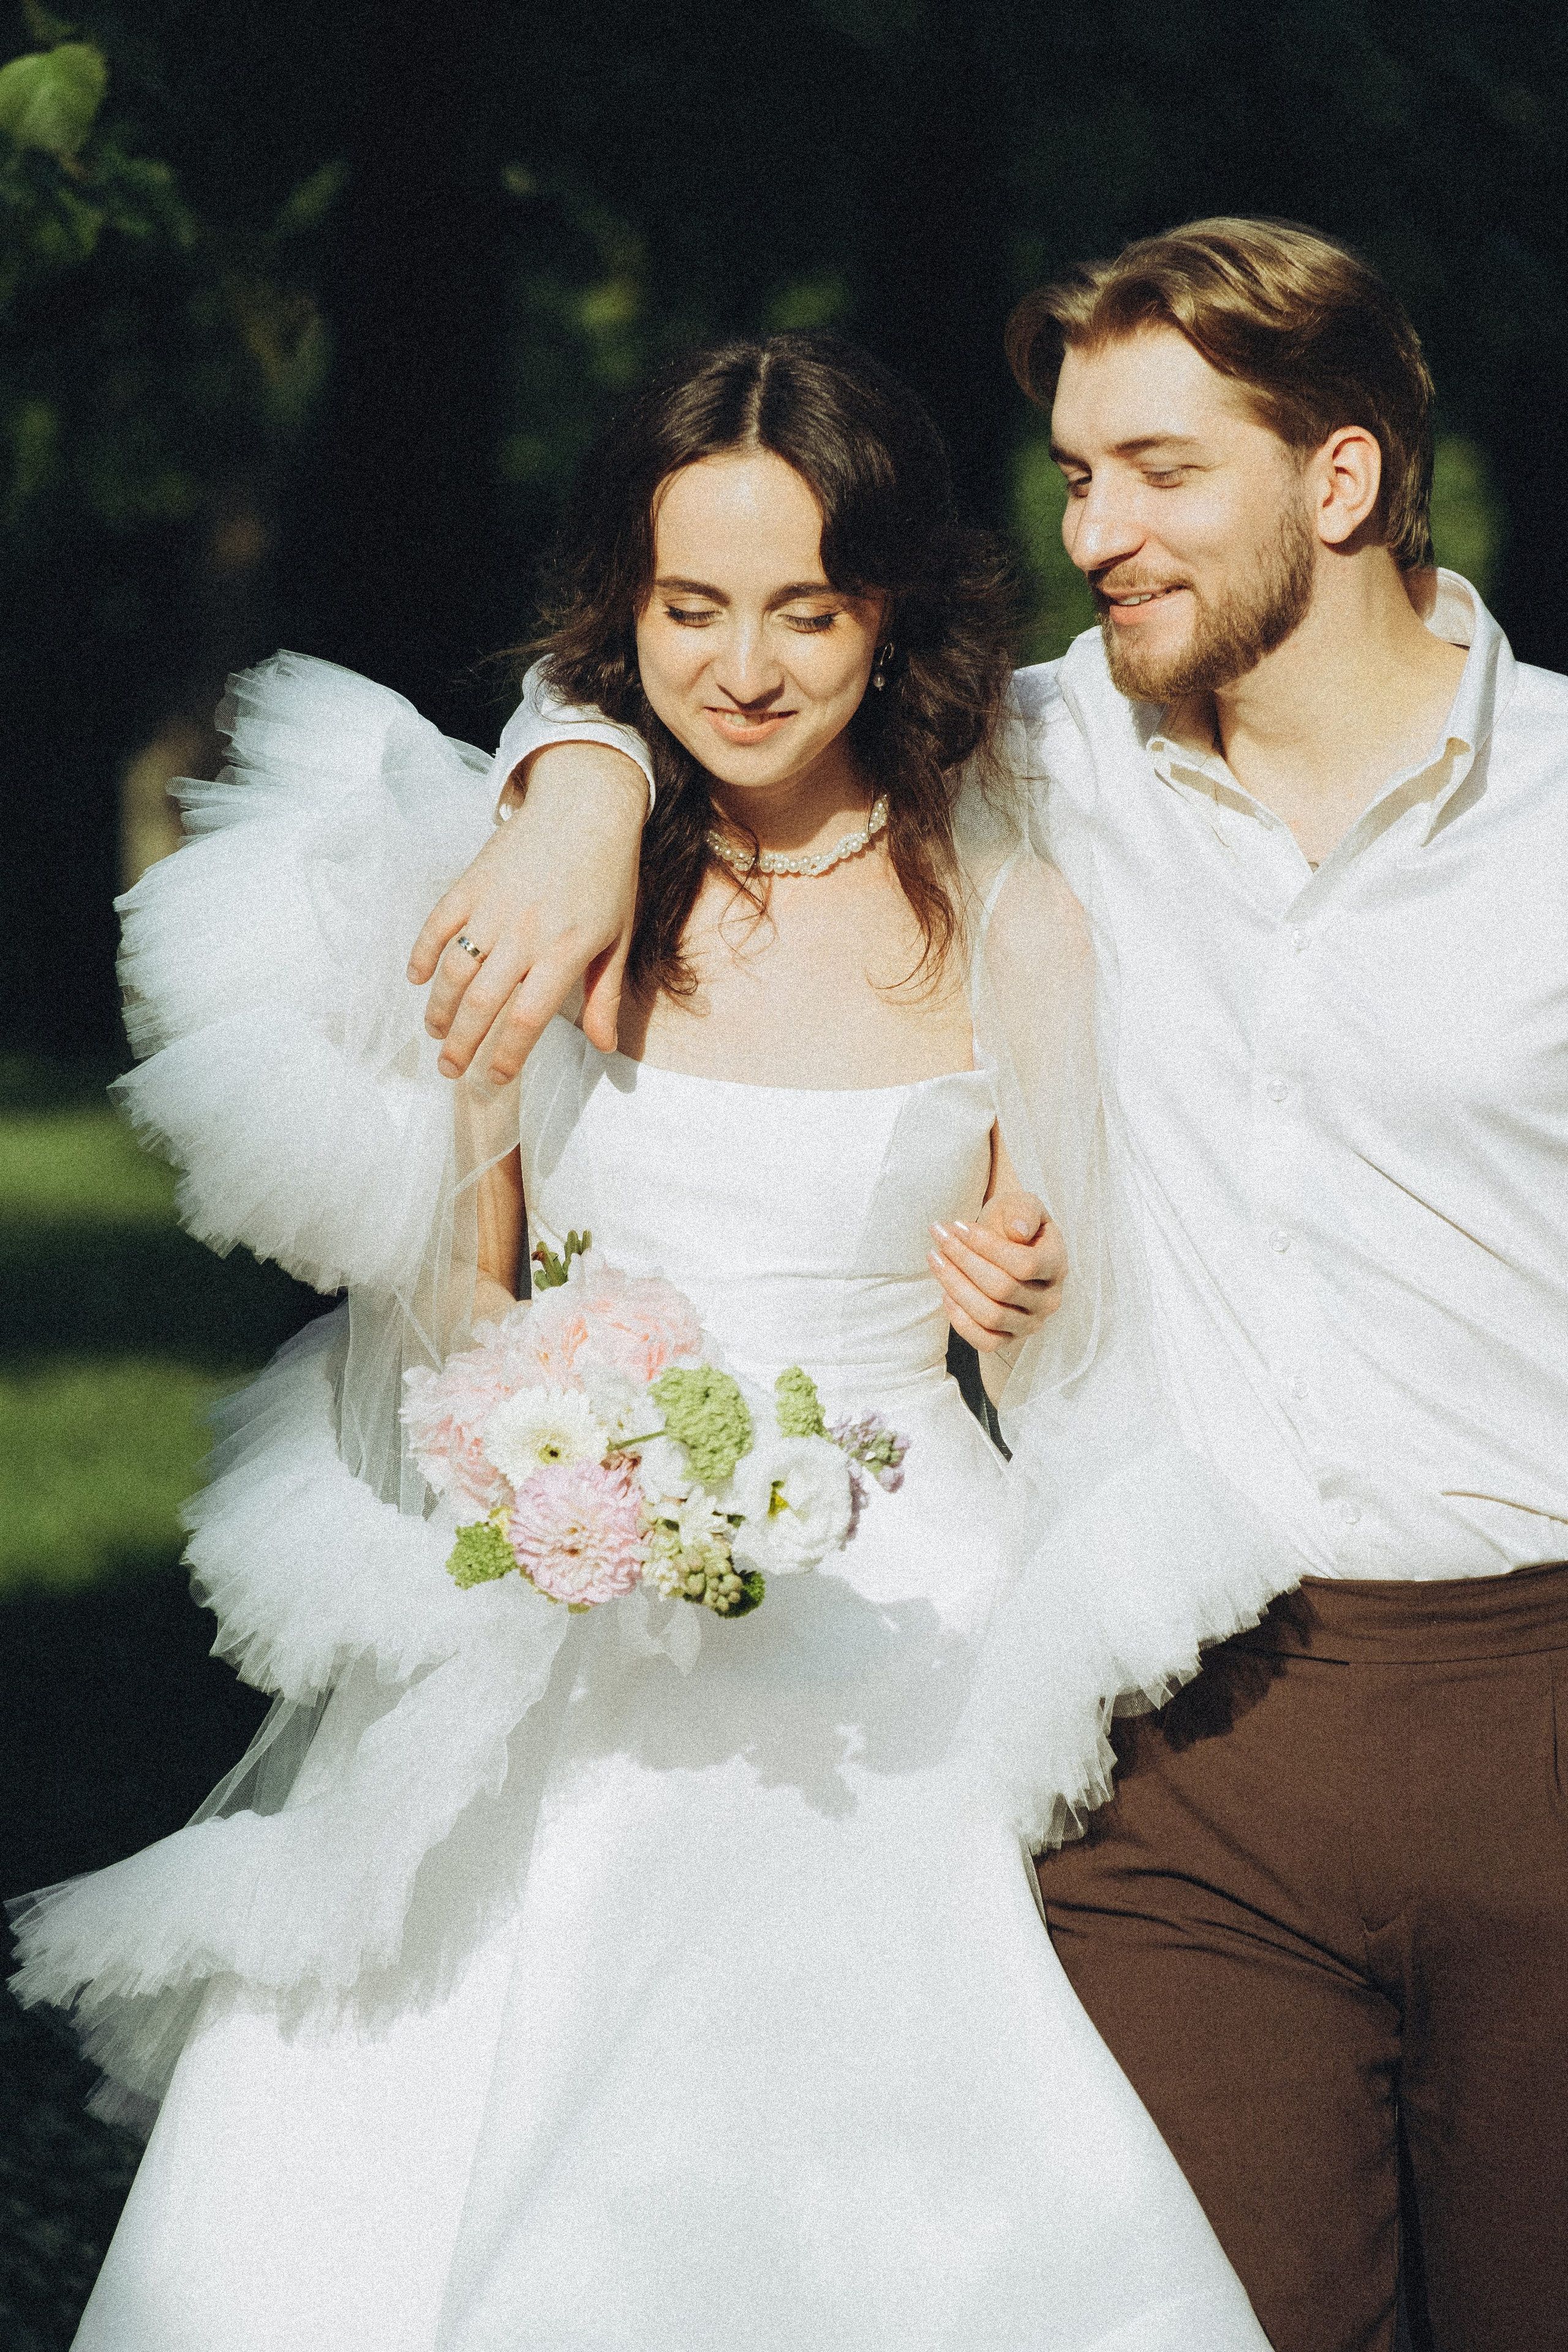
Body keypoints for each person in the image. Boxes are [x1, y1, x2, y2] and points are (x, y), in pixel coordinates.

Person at [10, 332, 1290, 2350]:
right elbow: (461, 1294)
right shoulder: (547, 888)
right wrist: (552, 1431)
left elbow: (1063, 1303)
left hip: (903, 1600)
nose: (744, 667)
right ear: (625, 608)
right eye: (692, 608)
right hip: (576, 1587)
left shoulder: (1010, 906)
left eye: (809, 610)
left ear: (893, 610)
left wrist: (1023, 1289)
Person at [418, 222, 1568, 2352]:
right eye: (1073, 478)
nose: (1094, 536)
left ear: (1339, 479)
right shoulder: (1046, 750)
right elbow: (723, 649)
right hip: (1180, 1736)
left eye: (1158, 473)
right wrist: (573, 790)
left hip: (1534, 1698)